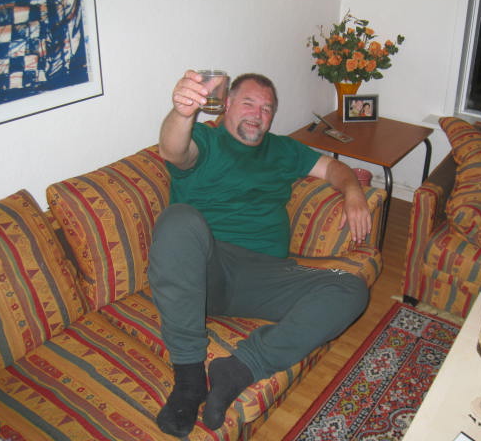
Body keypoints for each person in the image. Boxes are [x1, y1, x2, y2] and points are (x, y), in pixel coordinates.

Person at [148, 70, 372, 437]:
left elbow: (334, 167)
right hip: (209, 270)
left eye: (266, 108)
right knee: (177, 219)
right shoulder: (205, 139)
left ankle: (238, 369)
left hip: (267, 275)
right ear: (227, 105)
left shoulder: (283, 149)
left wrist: (353, 191)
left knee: (351, 288)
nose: (257, 114)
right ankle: (189, 378)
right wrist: (182, 113)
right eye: (248, 103)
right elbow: (174, 151)